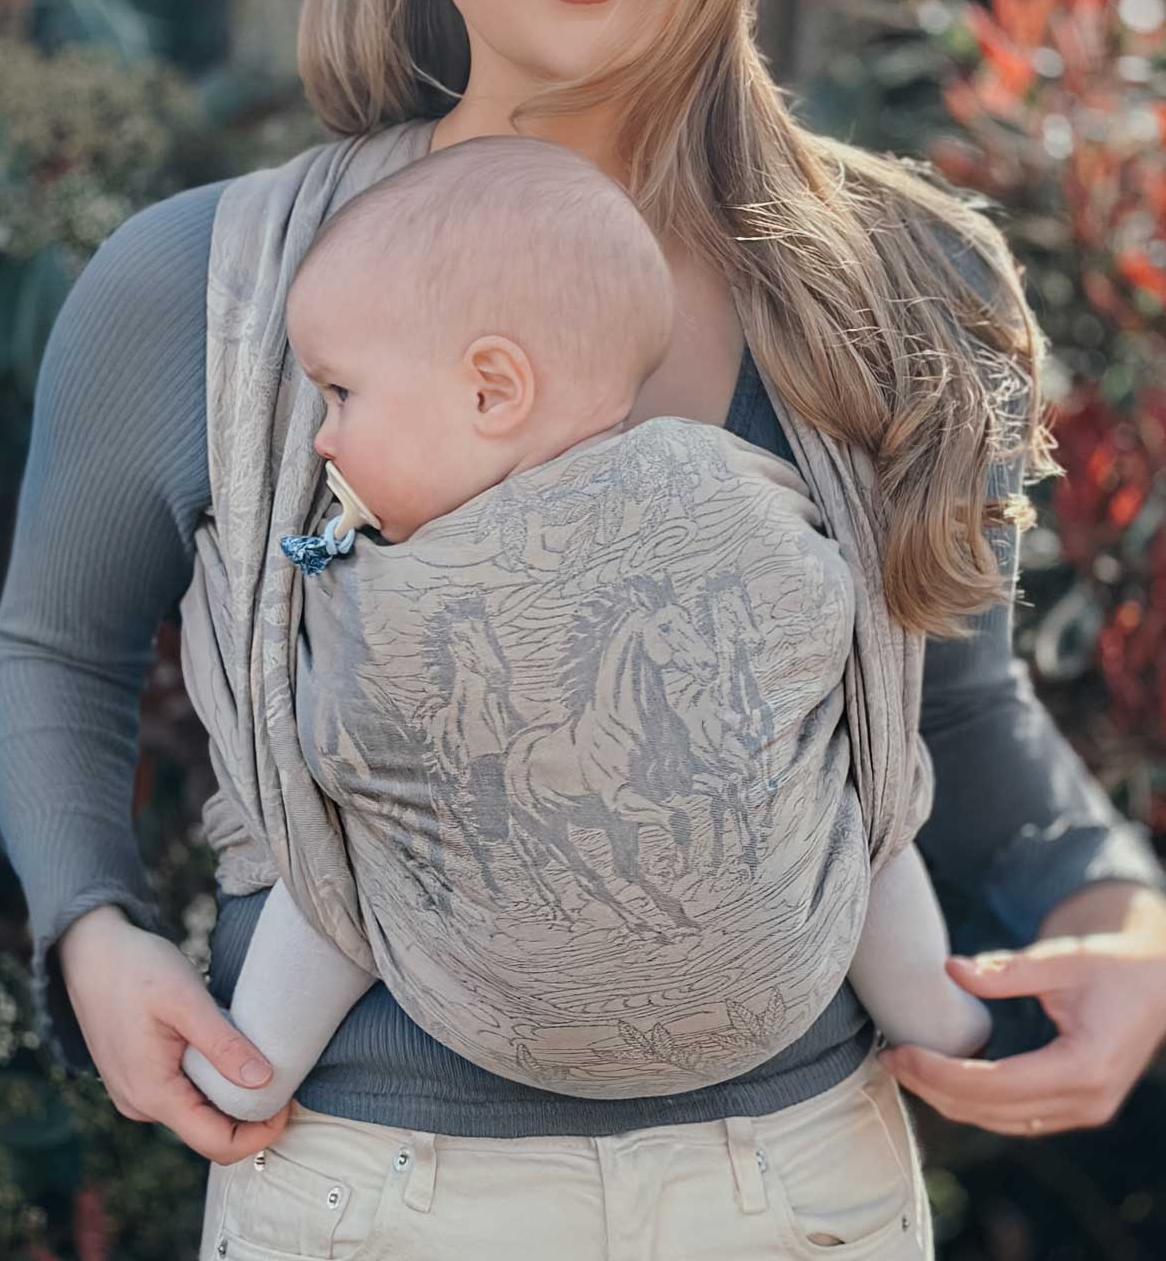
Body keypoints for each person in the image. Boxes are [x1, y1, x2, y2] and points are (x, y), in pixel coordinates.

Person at [0, 0, 1166, 1256]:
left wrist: (1121, 918)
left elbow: (949, 707)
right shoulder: (205, 292)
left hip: (805, 1199)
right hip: (362, 1198)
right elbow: (53, 651)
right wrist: (93, 934)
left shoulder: (910, 287)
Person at [178, 133, 990, 1125]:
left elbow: (333, 744)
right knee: (872, 812)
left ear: (492, 390)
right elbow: (829, 623)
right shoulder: (727, 480)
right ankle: (941, 1022)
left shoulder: (384, 582)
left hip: (481, 1015)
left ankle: (245, 1070)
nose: (321, 438)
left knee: (331, 875)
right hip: (787, 988)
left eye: (342, 392)